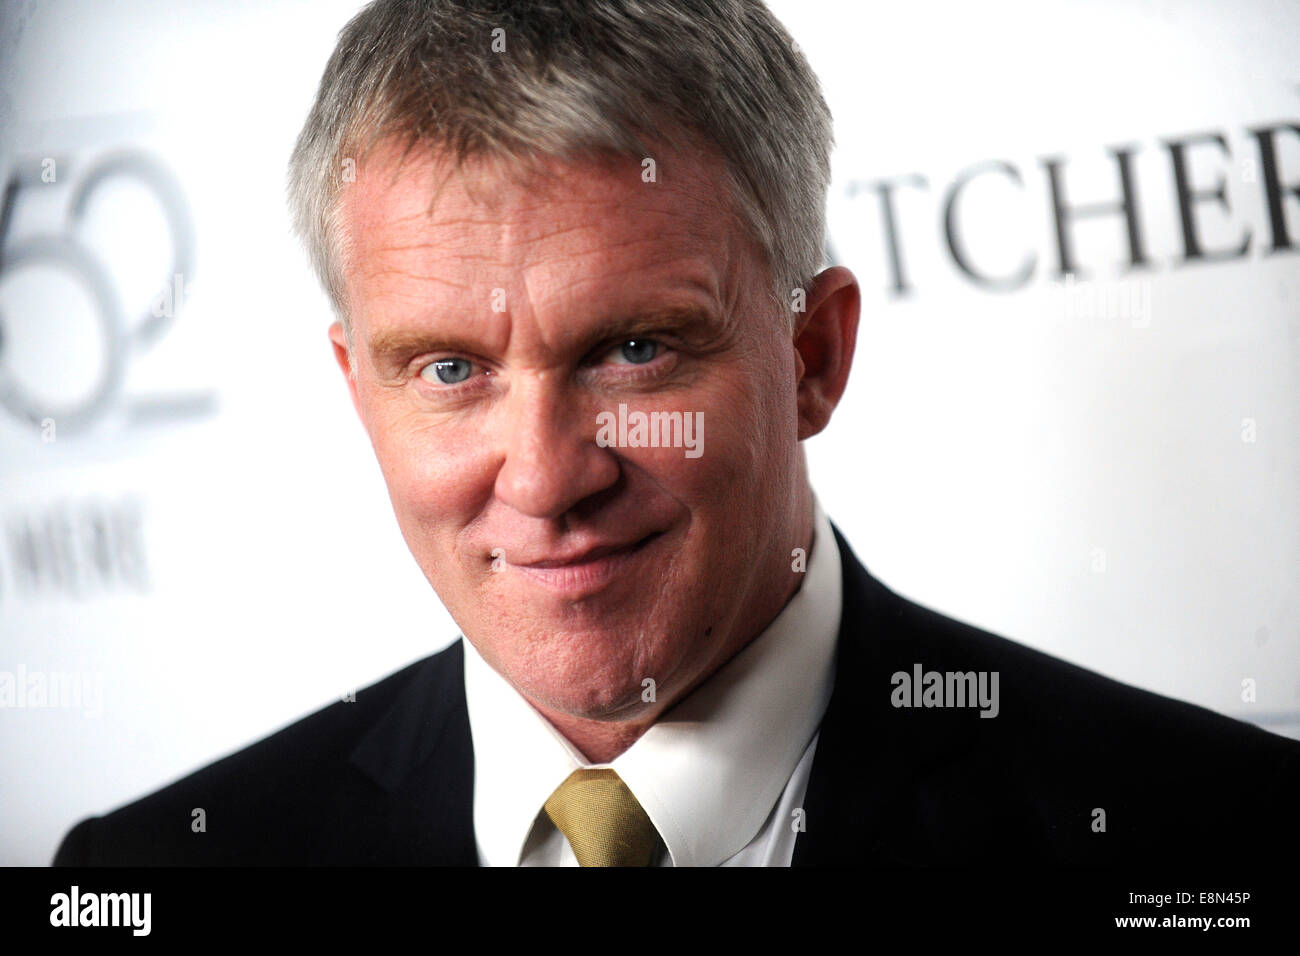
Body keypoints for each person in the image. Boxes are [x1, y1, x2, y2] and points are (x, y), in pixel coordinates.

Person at [53, 0, 1299, 867]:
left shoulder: (1212, 833)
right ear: (356, 391)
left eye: (633, 348)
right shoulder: (153, 868)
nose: (544, 477)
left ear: (812, 355)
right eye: (447, 368)